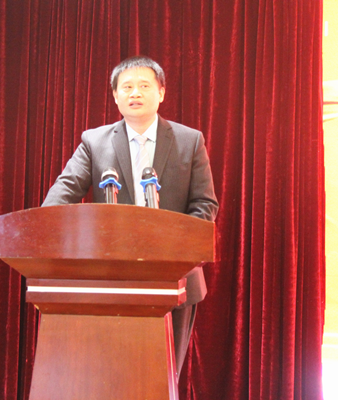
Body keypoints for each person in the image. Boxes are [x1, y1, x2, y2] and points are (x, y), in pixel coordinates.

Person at [42, 55, 219, 377]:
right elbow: (64, 191)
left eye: (144, 86)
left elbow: (204, 204)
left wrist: (176, 250)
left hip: (173, 277)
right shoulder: (94, 141)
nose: (135, 93)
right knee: (111, 376)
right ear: (115, 96)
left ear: (161, 92)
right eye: (126, 87)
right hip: (111, 278)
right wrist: (42, 227)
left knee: (163, 376)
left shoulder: (189, 140)